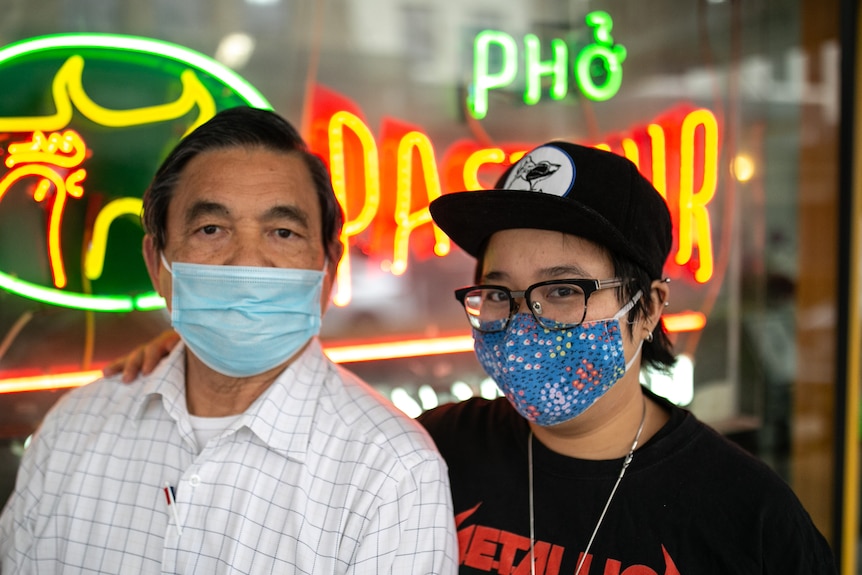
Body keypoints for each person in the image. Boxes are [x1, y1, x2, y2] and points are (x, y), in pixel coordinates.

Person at [97, 141, 838, 573]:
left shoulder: (749, 518)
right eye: (499, 294)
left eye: (563, 292)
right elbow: (299, 423)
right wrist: (207, 351)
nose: (522, 324)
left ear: (646, 308)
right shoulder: (436, 451)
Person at [0, 107, 457, 574]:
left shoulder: (392, 473)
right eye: (211, 230)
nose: (247, 264)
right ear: (157, 264)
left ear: (328, 270)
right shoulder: (76, 428)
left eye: (283, 232)